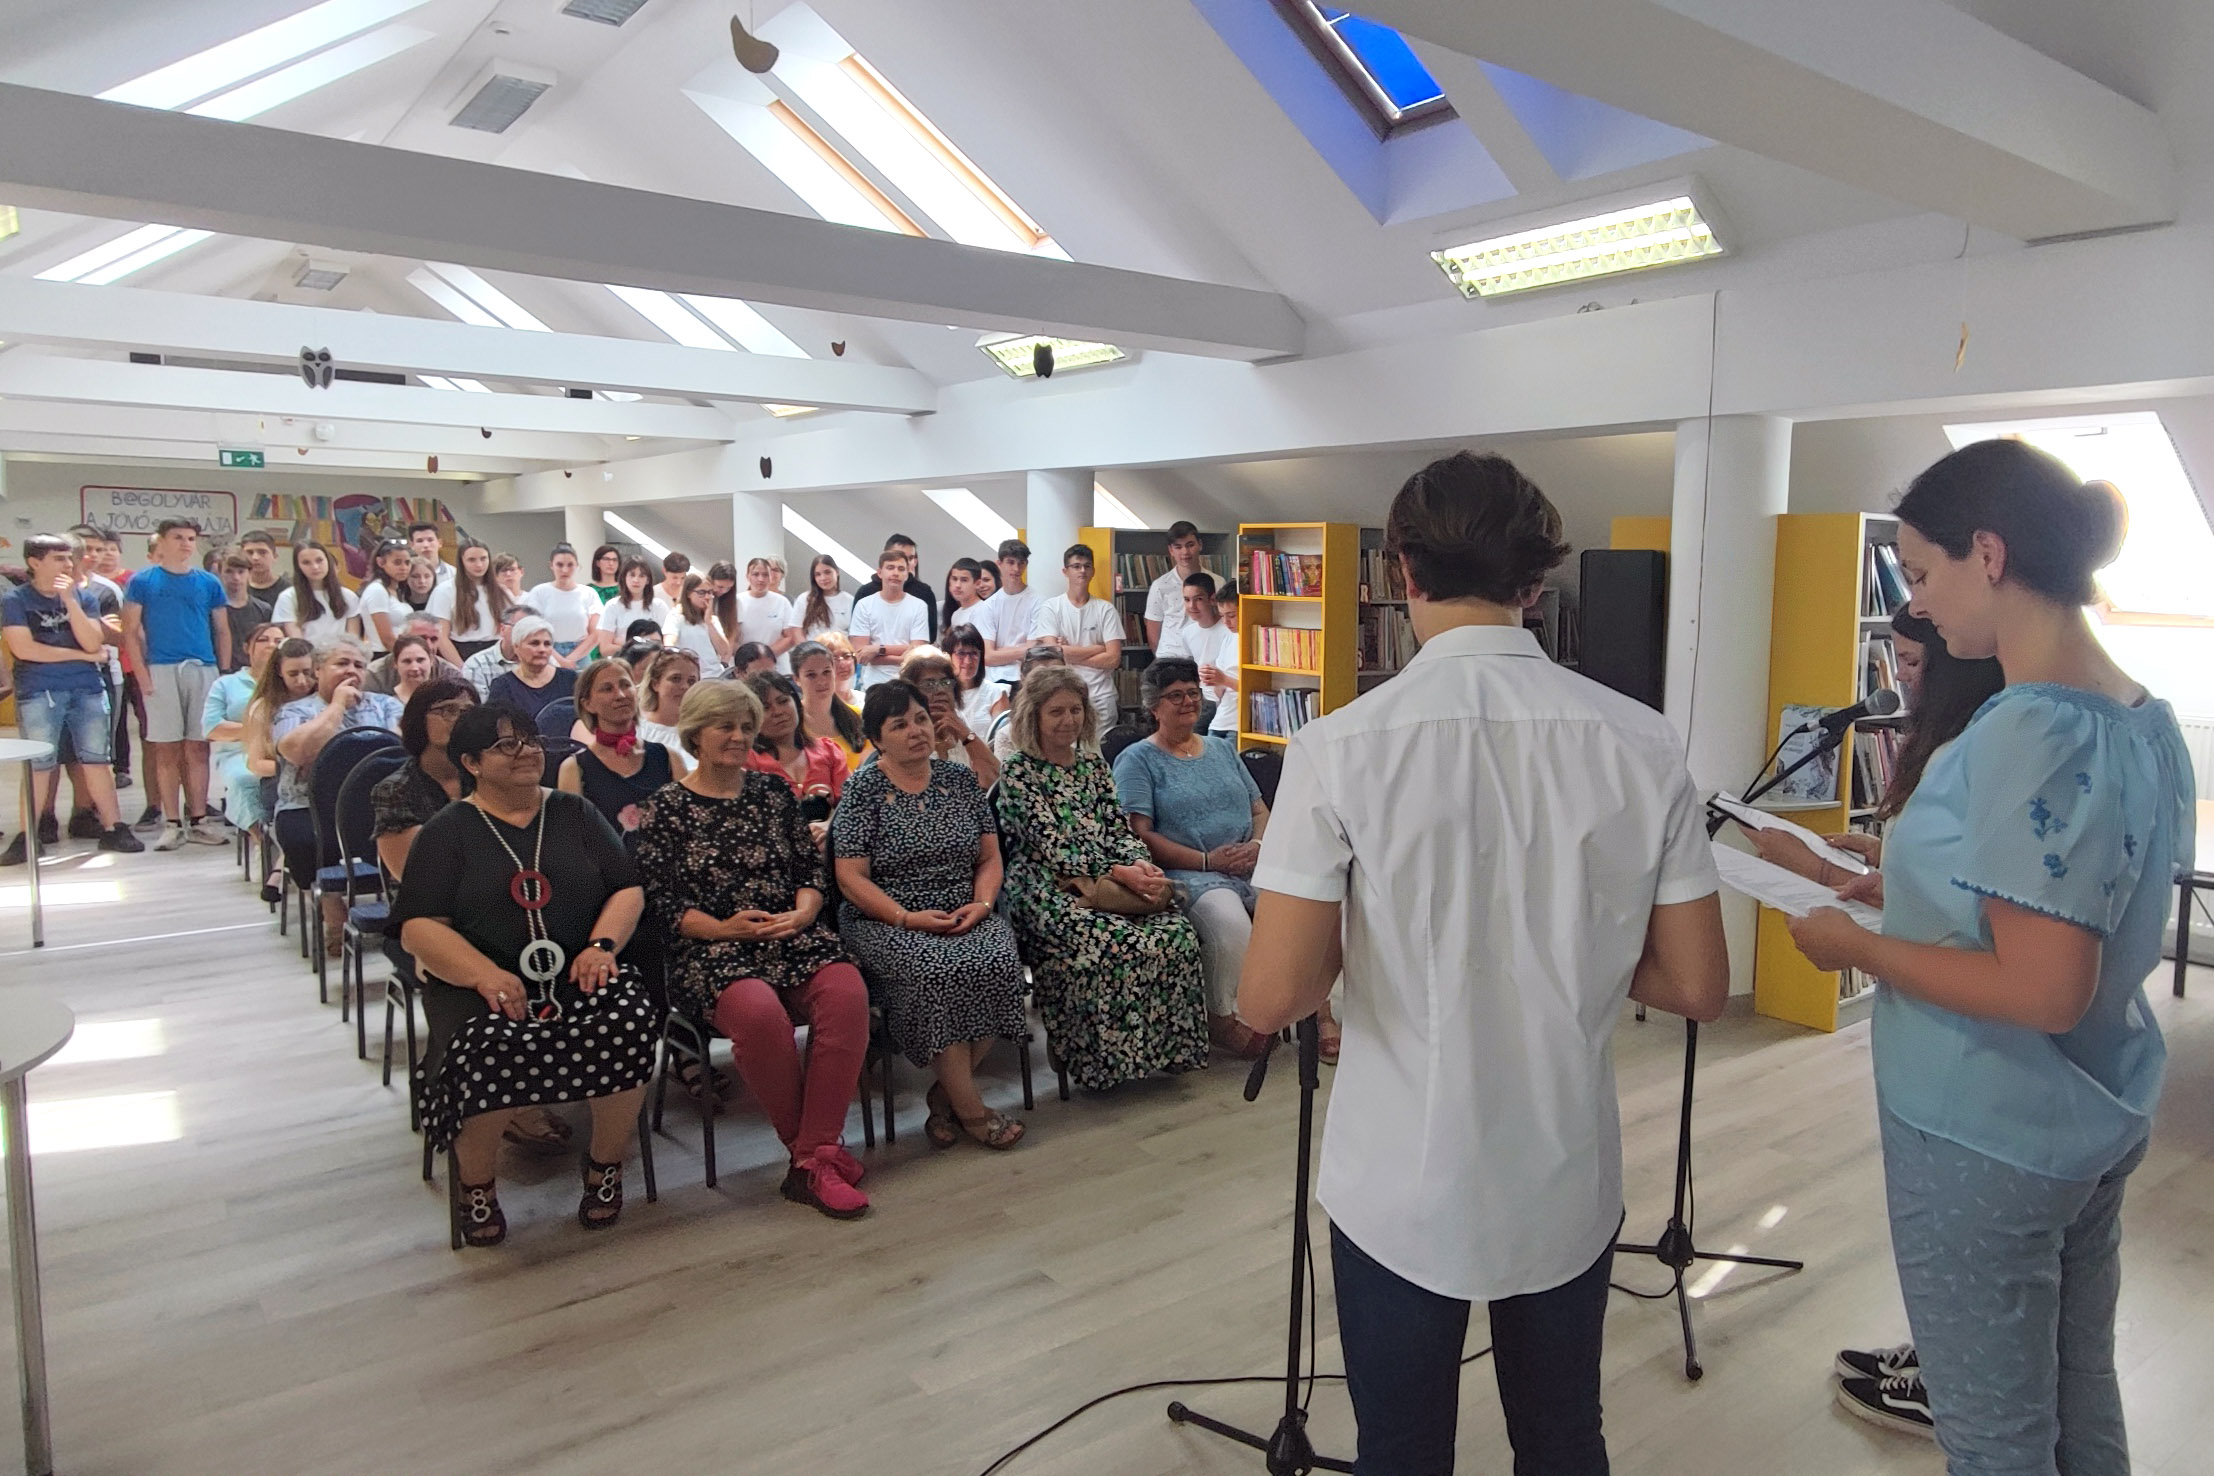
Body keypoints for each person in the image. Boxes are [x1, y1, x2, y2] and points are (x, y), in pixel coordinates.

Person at [1236, 451, 1730, 1476]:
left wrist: (1367, 936)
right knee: (1563, 1440)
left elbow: (1272, 995)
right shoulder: (1644, 744)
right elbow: (1696, 986)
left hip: (1398, 1179)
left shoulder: (1336, 748)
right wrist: (1582, 938)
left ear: (1403, 570)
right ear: (1535, 584)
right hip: (1563, 1168)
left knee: (1402, 1450)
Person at [1778, 440, 2192, 1467]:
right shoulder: (2143, 720)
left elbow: (2044, 987)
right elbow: (2069, 898)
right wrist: (1902, 885)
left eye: (1922, 575)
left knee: (1993, 1432)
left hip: (1985, 1129)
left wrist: (1857, 946)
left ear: (1991, 554)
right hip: (2095, 1107)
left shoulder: (2027, 727)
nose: (1916, 605)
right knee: (2079, 1390)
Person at [391, 702, 660, 1246]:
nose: (527, 752)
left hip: (577, 971)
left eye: (531, 740)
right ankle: (477, 1184)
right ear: (471, 762)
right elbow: (418, 927)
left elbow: (627, 887)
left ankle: (604, 1165)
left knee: (628, 1021)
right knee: (484, 1045)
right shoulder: (448, 831)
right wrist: (483, 974)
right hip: (486, 984)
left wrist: (601, 946)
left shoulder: (574, 813)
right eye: (506, 745)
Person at [634, 680, 872, 1217]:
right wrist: (726, 930)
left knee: (846, 993)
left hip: (790, 933)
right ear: (695, 733)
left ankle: (812, 1157)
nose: (739, 736)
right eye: (725, 726)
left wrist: (806, 911)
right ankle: (816, 1157)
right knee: (761, 1016)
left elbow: (809, 870)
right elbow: (663, 904)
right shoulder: (666, 808)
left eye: (746, 726)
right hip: (712, 948)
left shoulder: (771, 793)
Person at [831, 681, 1029, 1149]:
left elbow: (990, 857)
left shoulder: (958, 780)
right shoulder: (863, 789)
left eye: (920, 719)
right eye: (899, 725)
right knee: (936, 972)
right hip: (886, 918)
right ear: (877, 739)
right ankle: (973, 1112)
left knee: (999, 961)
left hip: (965, 909)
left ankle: (946, 1096)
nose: (916, 731)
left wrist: (982, 905)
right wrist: (906, 918)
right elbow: (851, 878)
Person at [997, 666, 1208, 1092]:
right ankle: (1096, 1060)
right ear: (1033, 715)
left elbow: (1118, 829)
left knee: (1177, 935)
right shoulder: (1019, 771)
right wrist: (1119, 872)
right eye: (1056, 711)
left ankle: (1162, 1052)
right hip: (1045, 887)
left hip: (1110, 877)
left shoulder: (1093, 765)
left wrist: (1141, 865)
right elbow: (1051, 847)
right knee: (1112, 942)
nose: (1068, 720)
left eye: (1075, 710)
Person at [1112, 657, 1276, 1058]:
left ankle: (1294, 1007)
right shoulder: (1137, 760)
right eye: (1175, 696)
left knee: (1300, 909)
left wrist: (1256, 847)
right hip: (1189, 872)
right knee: (1231, 926)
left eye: (1192, 693)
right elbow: (1139, 834)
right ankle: (1221, 1016)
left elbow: (1260, 810)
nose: (1188, 702)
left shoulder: (1222, 749)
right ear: (1153, 706)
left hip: (1250, 861)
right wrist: (1208, 861)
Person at [1, 534, 139, 861]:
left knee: (97, 760)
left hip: (87, 689)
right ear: (34, 562)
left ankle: (114, 827)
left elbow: (93, 642)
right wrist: (82, 657)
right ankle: (28, 836)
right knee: (39, 764)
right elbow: (25, 649)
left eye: (68, 558)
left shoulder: (83, 597)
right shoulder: (15, 600)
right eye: (58, 558)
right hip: (39, 691)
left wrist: (71, 602)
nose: (68, 564)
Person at [273, 636, 405, 954]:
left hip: (376, 805)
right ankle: (334, 915)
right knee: (304, 840)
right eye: (342, 663)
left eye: (359, 665)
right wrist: (337, 707)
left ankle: (403, 913)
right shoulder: (294, 710)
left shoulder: (386, 705)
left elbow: (402, 751)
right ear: (318, 670)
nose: (351, 671)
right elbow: (297, 752)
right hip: (305, 805)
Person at [124, 518, 233, 851]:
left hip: (202, 668)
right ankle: (172, 822)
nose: (185, 543)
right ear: (162, 541)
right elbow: (130, 632)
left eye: (190, 538)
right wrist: (142, 675)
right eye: (178, 537)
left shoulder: (208, 582)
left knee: (198, 747)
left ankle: (199, 819)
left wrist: (222, 673)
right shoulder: (142, 581)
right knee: (166, 749)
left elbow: (222, 630)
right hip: (161, 669)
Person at [555, 659, 674, 836]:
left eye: (626, 685)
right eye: (607, 689)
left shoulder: (668, 758)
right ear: (587, 704)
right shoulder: (574, 769)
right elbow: (572, 838)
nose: (620, 695)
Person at [201, 621, 284, 848]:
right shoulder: (226, 684)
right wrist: (258, 729)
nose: (271, 645)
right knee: (244, 779)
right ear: (247, 647)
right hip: (239, 753)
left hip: (283, 749)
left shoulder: (290, 680)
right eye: (263, 640)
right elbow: (212, 728)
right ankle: (263, 844)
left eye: (278, 641)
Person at [1029, 544, 1125, 734]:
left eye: (1087, 566)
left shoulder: (1105, 609)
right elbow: (1053, 657)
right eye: (1076, 566)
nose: (1082, 571)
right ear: (1065, 571)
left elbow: (1113, 659)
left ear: (1093, 571)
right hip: (1064, 697)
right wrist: (1098, 649)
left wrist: (1068, 653)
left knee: (1100, 749)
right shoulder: (1051, 608)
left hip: (1100, 696)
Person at [744, 671, 846, 832]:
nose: (778, 712)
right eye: (765, 707)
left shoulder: (828, 751)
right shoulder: (746, 763)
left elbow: (852, 806)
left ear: (796, 702)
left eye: (783, 701)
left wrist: (830, 826)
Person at [893, 646, 1001, 787]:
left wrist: (966, 734)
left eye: (945, 683)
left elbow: (997, 780)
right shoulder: (905, 732)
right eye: (929, 684)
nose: (940, 690)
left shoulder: (957, 721)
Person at [1157, 571, 1239, 737]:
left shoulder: (1230, 632)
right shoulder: (1188, 633)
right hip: (1204, 697)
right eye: (1187, 600)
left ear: (1211, 599)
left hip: (1222, 703)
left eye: (1198, 599)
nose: (1192, 606)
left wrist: (1220, 682)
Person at [849, 547, 931, 690]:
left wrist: (877, 650)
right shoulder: (864, 605)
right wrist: (904, 656)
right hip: (873, 684)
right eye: (890, 567)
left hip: (909, 682)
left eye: (901, 569)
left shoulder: (919, 606)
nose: (895, 573)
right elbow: (861, 655)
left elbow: (918, 652)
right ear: (879, 572)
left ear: (907, 574)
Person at [973, 539, 1041, 687]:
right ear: (999, 564)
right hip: (993, 680)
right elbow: (988, 656)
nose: (1016, 569)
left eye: (1021, 563)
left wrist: (1000, 651)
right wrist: (1022, 650)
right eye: (1011, 562)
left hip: (1026, 677)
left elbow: (1033, 651)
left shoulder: (1038, 601)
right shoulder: (989, 605)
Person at [428, 538, 507, 664]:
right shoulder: (445, 591)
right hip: (462, 652)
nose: (479, 565)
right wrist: (461, 667)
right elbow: (441, 637)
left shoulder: (501, 591)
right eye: (471, 560)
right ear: (461, 561)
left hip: (496, 652)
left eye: (483, 558)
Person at [487, 616, 578, 725]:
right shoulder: (503, 686)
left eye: (547, 644)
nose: (542, 649)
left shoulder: (570, 679)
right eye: (534, 643)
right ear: (516, 647)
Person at [525, 544, 604, 667]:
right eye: (560, 565)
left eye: (570, 565)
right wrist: (560, 660)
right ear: (551, 565)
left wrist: (571, 659)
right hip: (547, 652)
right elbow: (533, 629)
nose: (565, 570)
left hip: (581, 652)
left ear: (577, 566)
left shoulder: (589, 593)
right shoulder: (539, 592)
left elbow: (596, 633)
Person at [270, 541, 361, 644]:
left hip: (341, 652)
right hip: (304, 652)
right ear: (298, 566)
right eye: (306, 562)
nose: (315, 567)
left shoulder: (348, 596)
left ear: (328, 561)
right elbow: (296, 640)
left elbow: (353, 639)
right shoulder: (288, 597)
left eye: (319, 560)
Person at [792, 640, 865, 768]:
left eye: (826, 672)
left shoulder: (857, 716)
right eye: (811, 675)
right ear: (797, 679)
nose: (821, 681)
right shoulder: (792, 724)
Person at [854, 535, 938, 640]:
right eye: (898, 555)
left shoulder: (924, 593)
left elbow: (928, 637)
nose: (904, 561)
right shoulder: (865, 593)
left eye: (910, 558)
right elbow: (858, 642)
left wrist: (879, 648)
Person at [1145, 521, 1209, 651]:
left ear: (1200, 545)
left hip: (1205, 655)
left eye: (1190, 545)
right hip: (1170, 657)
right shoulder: (1159, 586)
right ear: (1171, 550)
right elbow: (1153, 631)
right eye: (1178, 547)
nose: (1185, 552)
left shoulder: (1217, 582)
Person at [735, 556, 802, 669]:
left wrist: (766, 655)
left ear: (770, 577)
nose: (760, 579)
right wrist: (749, 659)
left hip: (778, 666)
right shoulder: (737, 601)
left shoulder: (782, 602)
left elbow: (791, 637)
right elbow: (731, 638)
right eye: (755, 574)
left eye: (765, 575)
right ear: (747, 576)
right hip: (745, 667)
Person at [635, 648, 699, 766]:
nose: (685, 686)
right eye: (676, 679)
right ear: (655, 684)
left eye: (691, 681)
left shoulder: (701, 731)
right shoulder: (636, 728)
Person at [461, 601, 538, 698]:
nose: (526, 634)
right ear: (502, 629)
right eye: (520, 628)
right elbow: (479, 705)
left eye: (533, 630)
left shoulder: (545, 662)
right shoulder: (477, 665)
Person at [600, 557, 671, 658]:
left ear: (648, 580)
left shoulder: (659, 606)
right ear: (624, 577)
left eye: (641, 576)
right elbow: (605, 649)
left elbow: (665, 645)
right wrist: (643, 646)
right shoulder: (612, 606)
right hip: (621, 662)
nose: (636, 580)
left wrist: (622, 642)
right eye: (632, 575)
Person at [216, 552, 272, 673]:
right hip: (219, 671)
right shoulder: (213, 609)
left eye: (241, 572)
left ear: (249, 573)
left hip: (253, 672)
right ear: (220, 573)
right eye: (229, 572)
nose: (236, 577)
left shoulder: (263, 609)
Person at [943, 624, 1002, 737]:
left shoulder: (995, 694)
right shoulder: (940, 693)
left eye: (974, 653)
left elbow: (1000, 739)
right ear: (948, 656)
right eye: (961, 653)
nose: (968, 661)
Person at [671, 572, 733, 676]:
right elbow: (669, 644)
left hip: (715, 674)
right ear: (688, 593)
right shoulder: (676, 616)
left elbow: (724, 652)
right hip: (692, 675)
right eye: (701, 592)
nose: (707, 597)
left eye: (710, 592)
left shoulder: (712, 620)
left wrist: (709, 622)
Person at [357, 539, 413, 653]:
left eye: (407, 563)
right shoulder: (377, 590)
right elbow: (387, 639)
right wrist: (405, 657)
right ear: (381, 562)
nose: (404, 567)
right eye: (397, 562)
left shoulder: (397, 590)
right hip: (384, 654)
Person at [799, 553, 853, 638]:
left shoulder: (850, 600)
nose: (823, 578)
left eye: (827, 572)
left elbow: (855, 634)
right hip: (812, 646)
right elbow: (796, 630)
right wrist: (806, 646)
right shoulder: (805, 599)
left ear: (837, 572)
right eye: (818, 574)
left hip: (842, 646)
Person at [381, 635, 440, 707]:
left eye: (420, 660)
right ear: (395, 664)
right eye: (407, 661)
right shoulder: (383, 702)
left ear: (431, 660)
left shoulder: (445, 698)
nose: (415, 668)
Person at [240, 529, 287, 607]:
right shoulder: (235, 587)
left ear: (275, 557)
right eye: (249, 552)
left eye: (262, 552)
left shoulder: (288, 590)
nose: (255, 557)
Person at [940, 557, 986, 634]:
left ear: (977, 584)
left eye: (964, 580)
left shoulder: (983, 610)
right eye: (954, 579)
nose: (957, 585)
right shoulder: (956, 614)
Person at [405, 523, 453, 587]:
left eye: (430, 540)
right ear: (411, 545)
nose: (426, 545)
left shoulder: (453, 574)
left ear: (440, 543)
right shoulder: (405, 573)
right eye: (420, 541)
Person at [657, 551, 691, 617]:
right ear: (664, 571)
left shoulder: (689, 594)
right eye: (675, 578)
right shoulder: (653, 594)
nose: (679, 582)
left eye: (683, 578)